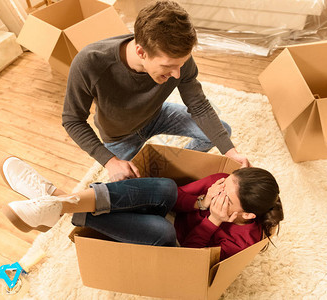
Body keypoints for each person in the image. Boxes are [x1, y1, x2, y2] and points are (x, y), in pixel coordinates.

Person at [62, 0, 251, 182]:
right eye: (168, 66)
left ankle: (171, 169)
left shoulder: (177, 60)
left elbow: (199, 105)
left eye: (182, 64)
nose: (177, 74)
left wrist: (230, 152)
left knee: (222, 133)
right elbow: (73, 120)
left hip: (157, 115)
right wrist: (110, 162)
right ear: (141, 52)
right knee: (131, 189)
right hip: (119, 137)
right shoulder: (90, 62)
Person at [1, 157, 283, 260]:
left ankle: (55, 197)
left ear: (248, 215)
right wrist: (201, 201)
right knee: (167, 188)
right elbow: (176, 199)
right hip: (167, 211)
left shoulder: (244, 242)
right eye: (225, 183)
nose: (221, 189)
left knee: (162, 230)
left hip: (174, 244)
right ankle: (59, 203)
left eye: (228, 197)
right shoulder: (221, 182)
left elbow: (189, 258)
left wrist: (213, 220)